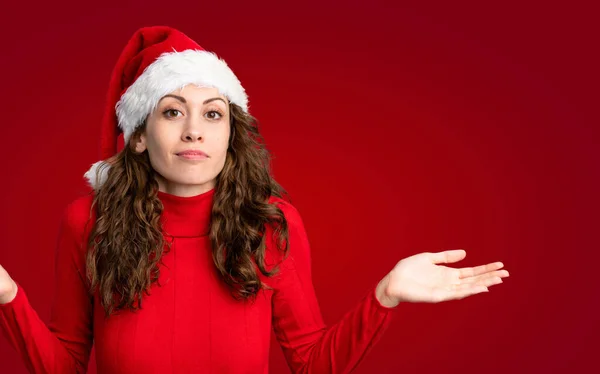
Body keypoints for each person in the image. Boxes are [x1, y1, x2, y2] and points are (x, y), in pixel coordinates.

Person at [0, 26, 510, 374]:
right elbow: (63, 363)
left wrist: (386, 296)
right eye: (173, 112)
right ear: (137, 134)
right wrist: (6, 296)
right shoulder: (88, 220)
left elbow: (311, 361)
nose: (194, 130)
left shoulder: (271, 224)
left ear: (230, 134)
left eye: (213, 114)